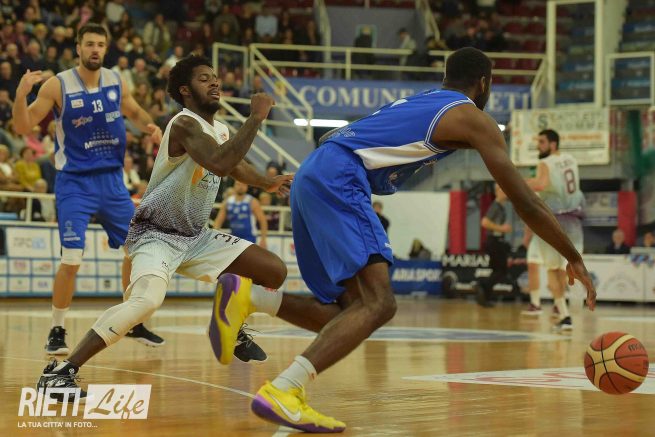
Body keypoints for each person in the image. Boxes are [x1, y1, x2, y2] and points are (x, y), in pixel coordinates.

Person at [246, 47, 596, 433]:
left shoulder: (424, 101)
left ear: (446, 77)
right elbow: (525, 201)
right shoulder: (472, 117)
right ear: (484, 84)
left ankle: (252, 298)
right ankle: (284, 389)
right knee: (380, 304)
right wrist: (573, 255)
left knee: (351, 311)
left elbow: (339, 136)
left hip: (313, 170)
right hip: (340, 175)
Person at [37, 54, 294, 400]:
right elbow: (220, 163)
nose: (215, 82)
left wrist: (266, 182)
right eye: (204, 78)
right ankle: (60, 373)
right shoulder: (184, 123)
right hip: (156, 233)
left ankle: (231, 323)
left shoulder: (219, 129)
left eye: (215, 77)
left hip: (195, 236)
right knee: (146, 302)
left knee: (274, 271)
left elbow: (236, 166)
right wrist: (256, 118)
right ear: (186, 90)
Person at [12, 23, 165, 355]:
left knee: (138, 250)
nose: (95, 49)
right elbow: (22, 126)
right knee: (71, 259)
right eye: (90, 44)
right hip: (75, 183)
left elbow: (135, 111)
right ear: (78, 48)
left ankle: (132, 321)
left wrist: (153, 128)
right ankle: (57, 329)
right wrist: (21, 95)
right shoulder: (58, 84)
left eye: (100, 44)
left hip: (112, 182)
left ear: (106, 49)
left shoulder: (115, 80)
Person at [521, 129, 585, 330]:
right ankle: (571, 302)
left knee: (553, 269)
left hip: (554, 221)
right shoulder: (571, 160)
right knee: (569, 265)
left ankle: (564, 314)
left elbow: (541, 184)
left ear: (553, 144)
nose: (538, 146)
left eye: (542, 142)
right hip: (573, 220)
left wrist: (518, 182)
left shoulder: (545, 163)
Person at [477, 184, 511, 308]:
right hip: (494, 241)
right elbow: (484, 222)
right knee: (501, 271)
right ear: (497, 191)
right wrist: (501, 228)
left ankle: (485, 296)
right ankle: (482, 285)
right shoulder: (495, 206)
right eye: (502, 190)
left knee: (498, 270)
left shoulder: (501, 207)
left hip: (497, 241)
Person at [214, 180, 269, 248]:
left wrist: (263, 239)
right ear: (234, 186)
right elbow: (218, 221)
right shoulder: (227, 202)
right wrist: (215, 237)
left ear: (247, 187)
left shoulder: (252, 201)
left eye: (243, 184)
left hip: (249, 238)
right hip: (234, 239)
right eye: (238, 184)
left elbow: (263, 221)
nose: (241, 187)